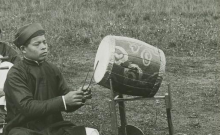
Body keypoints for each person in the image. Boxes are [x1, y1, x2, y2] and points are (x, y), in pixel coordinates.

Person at [3, 23, 97, 135]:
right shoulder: (16, 73)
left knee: (91, 133)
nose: (43, 47)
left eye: (44, 42)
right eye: (37, 44)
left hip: (54, 127)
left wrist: (79, 97)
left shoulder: (52, 69)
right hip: (24, 128)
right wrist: (63, 101)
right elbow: (27, 108)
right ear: (23, 49)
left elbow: (67, 103)